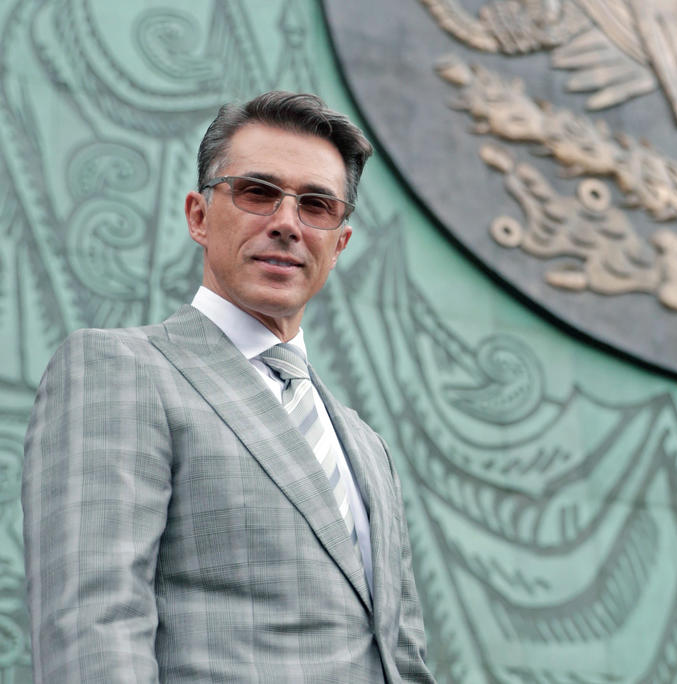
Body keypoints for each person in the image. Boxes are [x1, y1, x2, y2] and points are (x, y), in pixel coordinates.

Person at [22, 91, 435, 682]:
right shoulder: (122, 370)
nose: (287, 224)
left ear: (339, 245)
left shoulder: (367, 447)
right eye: (257, 192)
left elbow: (403, 655)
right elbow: (92, 628)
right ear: (198, 216)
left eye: (317, 205)